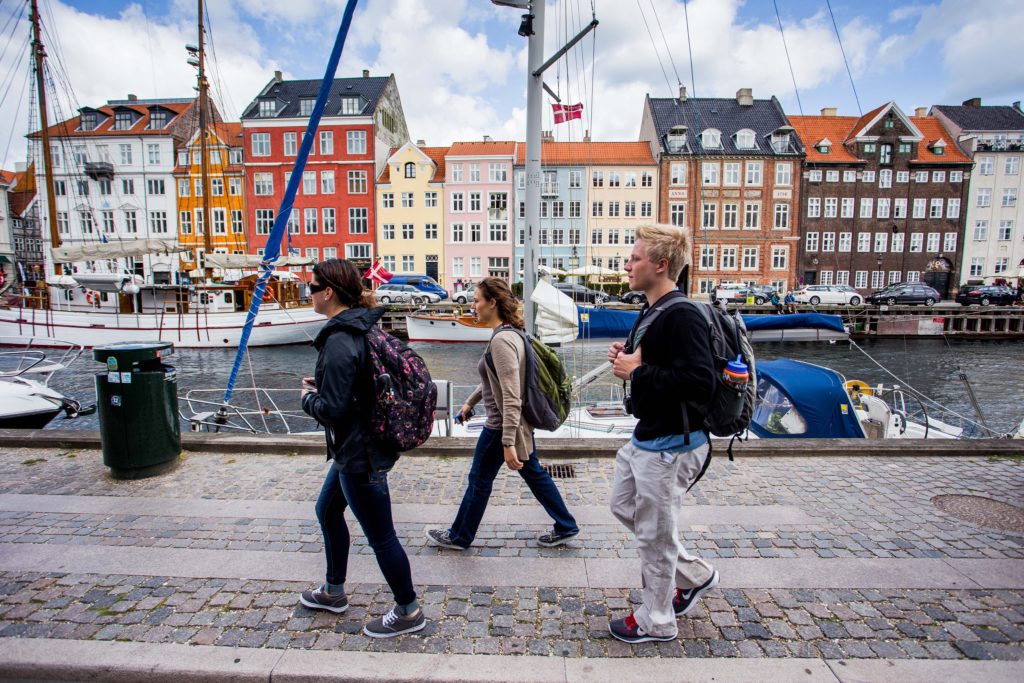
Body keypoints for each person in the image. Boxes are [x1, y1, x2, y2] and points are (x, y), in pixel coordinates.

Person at [299, 258, 426, 638]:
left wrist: (308, 398)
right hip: (355, 448)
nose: (309, 293)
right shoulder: (359, 326)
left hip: (360, 454)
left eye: (311, 286)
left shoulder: (340, 339)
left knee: (382, 536)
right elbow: (356, 388)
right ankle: (333, 591)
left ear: (328, 292)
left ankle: (409, 610)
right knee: (326, 510)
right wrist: (325, 387)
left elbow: (334, 411)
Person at [605, 223, 719, 644]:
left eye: (635, 258)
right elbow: (654, 363)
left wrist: (639, 370)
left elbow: (699, 381)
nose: (627, 264)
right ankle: (694, 576)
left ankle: (657, 619)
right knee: (623, 506)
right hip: (647, 436)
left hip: (674, 444)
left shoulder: (684, 313)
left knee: (655, 536)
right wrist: (628, 357)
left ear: (661, 264)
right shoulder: (652, 310)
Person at [425, 277, 579, 550]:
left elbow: (511, 395)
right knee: (534, 475)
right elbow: (492, 379)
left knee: (479, 481)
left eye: (476, 300)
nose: (473, 305)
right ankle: (566, 524)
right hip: (514, 425)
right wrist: (470, 402)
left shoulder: (502, 341)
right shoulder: (510, 333)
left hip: (501, 427)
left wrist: (508, 441)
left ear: (492, 303)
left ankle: (459, 536)